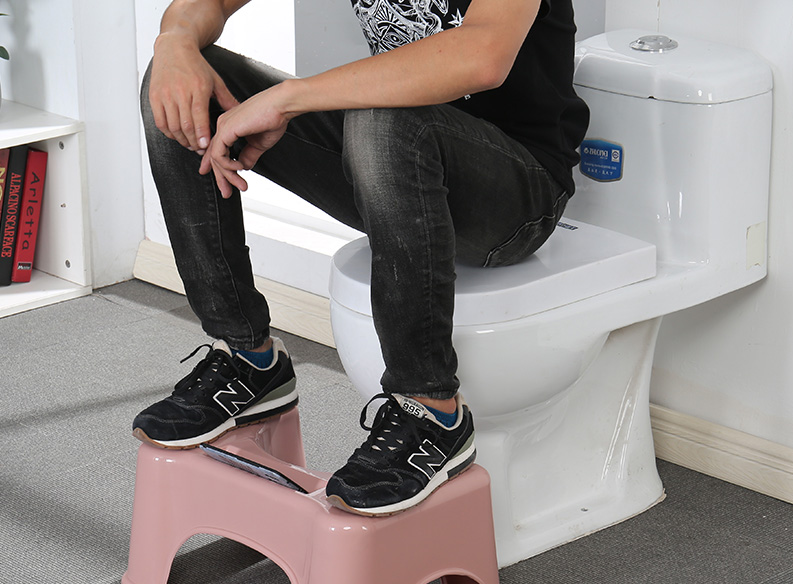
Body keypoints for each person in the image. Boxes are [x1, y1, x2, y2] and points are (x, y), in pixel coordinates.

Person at [134, 0, 589, 516]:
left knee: (383, 115)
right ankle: (247, 357)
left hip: (517, 192)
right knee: (179, 81)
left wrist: (289, 99)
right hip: (398, 161)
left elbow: (482, 55)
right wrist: (174, 42)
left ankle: (431, 410)